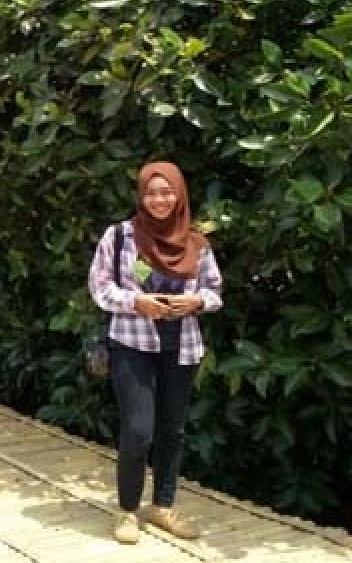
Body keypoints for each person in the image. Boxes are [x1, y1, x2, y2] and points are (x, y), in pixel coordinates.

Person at [88, 161, 223, 544]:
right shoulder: (119, 237)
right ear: (141, 196)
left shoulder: (197, 243)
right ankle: (128, 511)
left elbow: (215, 291)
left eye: (167, 192)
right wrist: (136, 302)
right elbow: (99, 288)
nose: (159, 200)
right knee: (137, 431)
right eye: (151, 192)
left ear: (179, 195)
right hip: (132, 343)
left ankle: (163, 505)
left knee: (172, 430)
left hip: (182, 347)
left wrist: (195, 302)